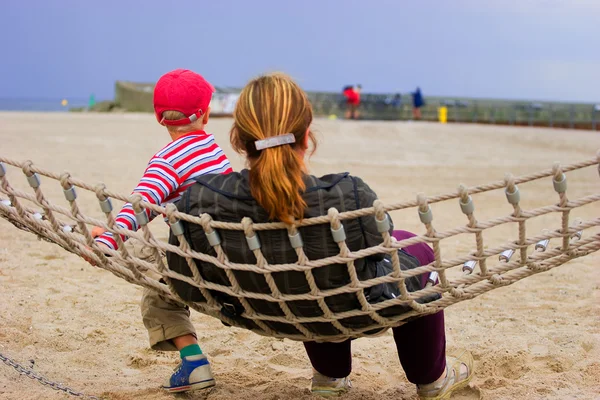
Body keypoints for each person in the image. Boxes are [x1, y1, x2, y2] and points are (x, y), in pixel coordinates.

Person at [162, 73, 474, 398]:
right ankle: (432, 379)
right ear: (307, 136)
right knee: (414, 249)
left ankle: (331, 377)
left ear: (238, 139)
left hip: (263, 308)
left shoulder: (199, 201)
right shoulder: (349, 197)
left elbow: (183, 283)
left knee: (309, 273)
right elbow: (380, 256)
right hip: (342, 308)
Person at [92, 69, 233, 392]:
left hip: (196, 264)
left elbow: (140, 205)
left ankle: (195, 364)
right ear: (206, 114)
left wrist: (110, 238)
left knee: (158, 295)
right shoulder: (213, 150)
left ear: (160, 119)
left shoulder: (167, 161)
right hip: (229, 257)